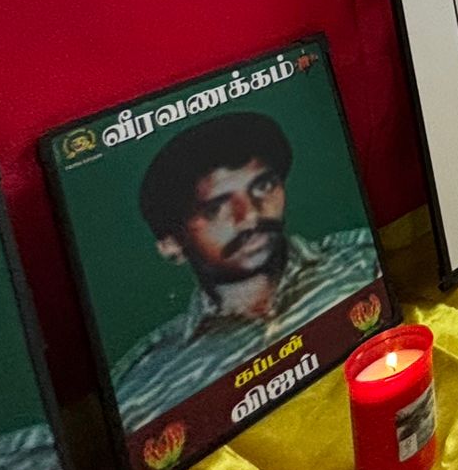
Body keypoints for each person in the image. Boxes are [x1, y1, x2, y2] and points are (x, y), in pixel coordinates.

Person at [112, 113, 379, 432]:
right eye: (215, 208)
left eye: (263, 186)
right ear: (172, 244)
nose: (249, 215)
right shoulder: (143, 387)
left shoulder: (366, 262)